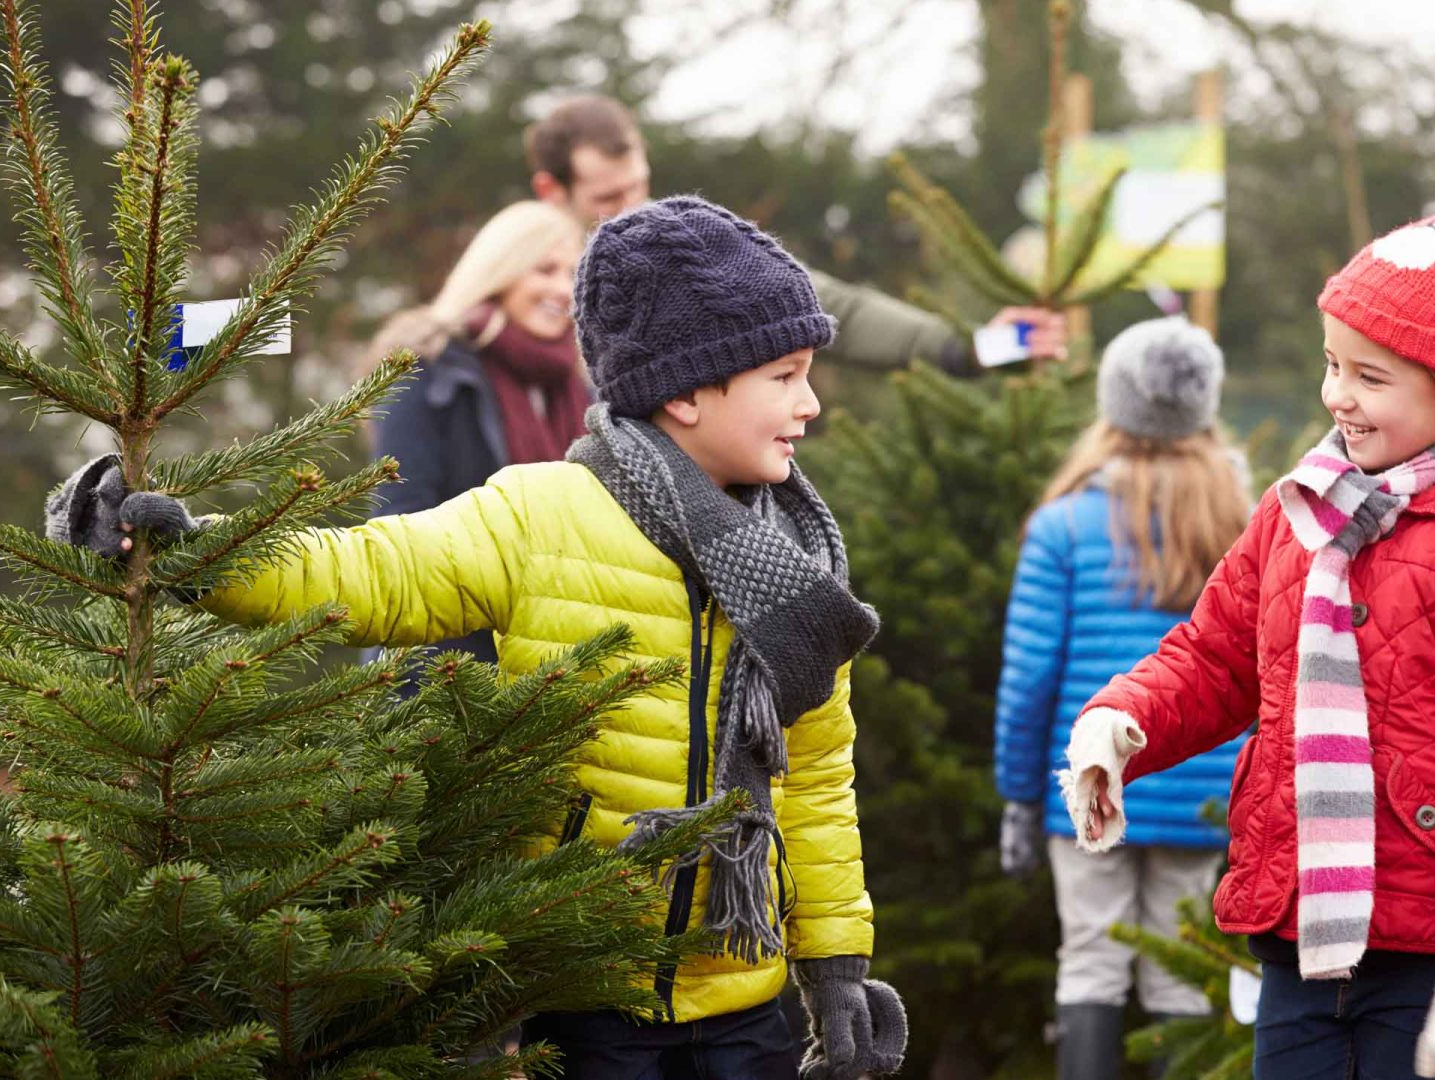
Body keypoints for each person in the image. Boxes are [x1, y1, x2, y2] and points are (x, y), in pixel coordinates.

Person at [48, 195, 907, 1080]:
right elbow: (369, 569)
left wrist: (836, 967)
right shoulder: (542, 513)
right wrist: (199, 547)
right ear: (687, 389)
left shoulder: (796, 565)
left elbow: (813, 782)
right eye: (785, 375)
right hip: (584, 999)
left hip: (746, 1000)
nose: (809, 404)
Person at [1059, 199, 1435, 1080]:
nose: (1337, 397)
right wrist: (1125, 719)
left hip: (1425, 949)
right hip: (1297, 936)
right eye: (1332, 366)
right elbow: (1213, 655)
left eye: (1370, 377)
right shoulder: (1294, 515)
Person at [993, 317, 1252, 1080]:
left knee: (1091, 959)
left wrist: (1017, 795)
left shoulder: (1063, 526)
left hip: (1090, 783)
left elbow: (1030, 677)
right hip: (1203, 787)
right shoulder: (1239, 522)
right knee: (1179, 965)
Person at [523, 93, 1068, 374]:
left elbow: (837, 311)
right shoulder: (517, 285)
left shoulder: (688, 256)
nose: (632, 209)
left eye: (638, 186)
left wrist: (982, 347)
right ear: (552, 190)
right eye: (607, 200)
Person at [365, 199, 590, 666]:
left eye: (574, 274)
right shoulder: (427, 366)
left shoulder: (581, 391)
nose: (564, 289)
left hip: (549, 666)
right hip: (437, 664)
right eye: (545, 269)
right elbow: (401, 525)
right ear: (501, 270)